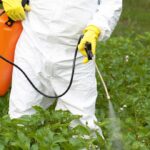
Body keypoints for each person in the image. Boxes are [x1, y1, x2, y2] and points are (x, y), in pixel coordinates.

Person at [2, 0, 122, 137]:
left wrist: (97, 28)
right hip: (32, 46)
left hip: (77, 54)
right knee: (21, 116)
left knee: (81, 126)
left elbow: (112, 3)